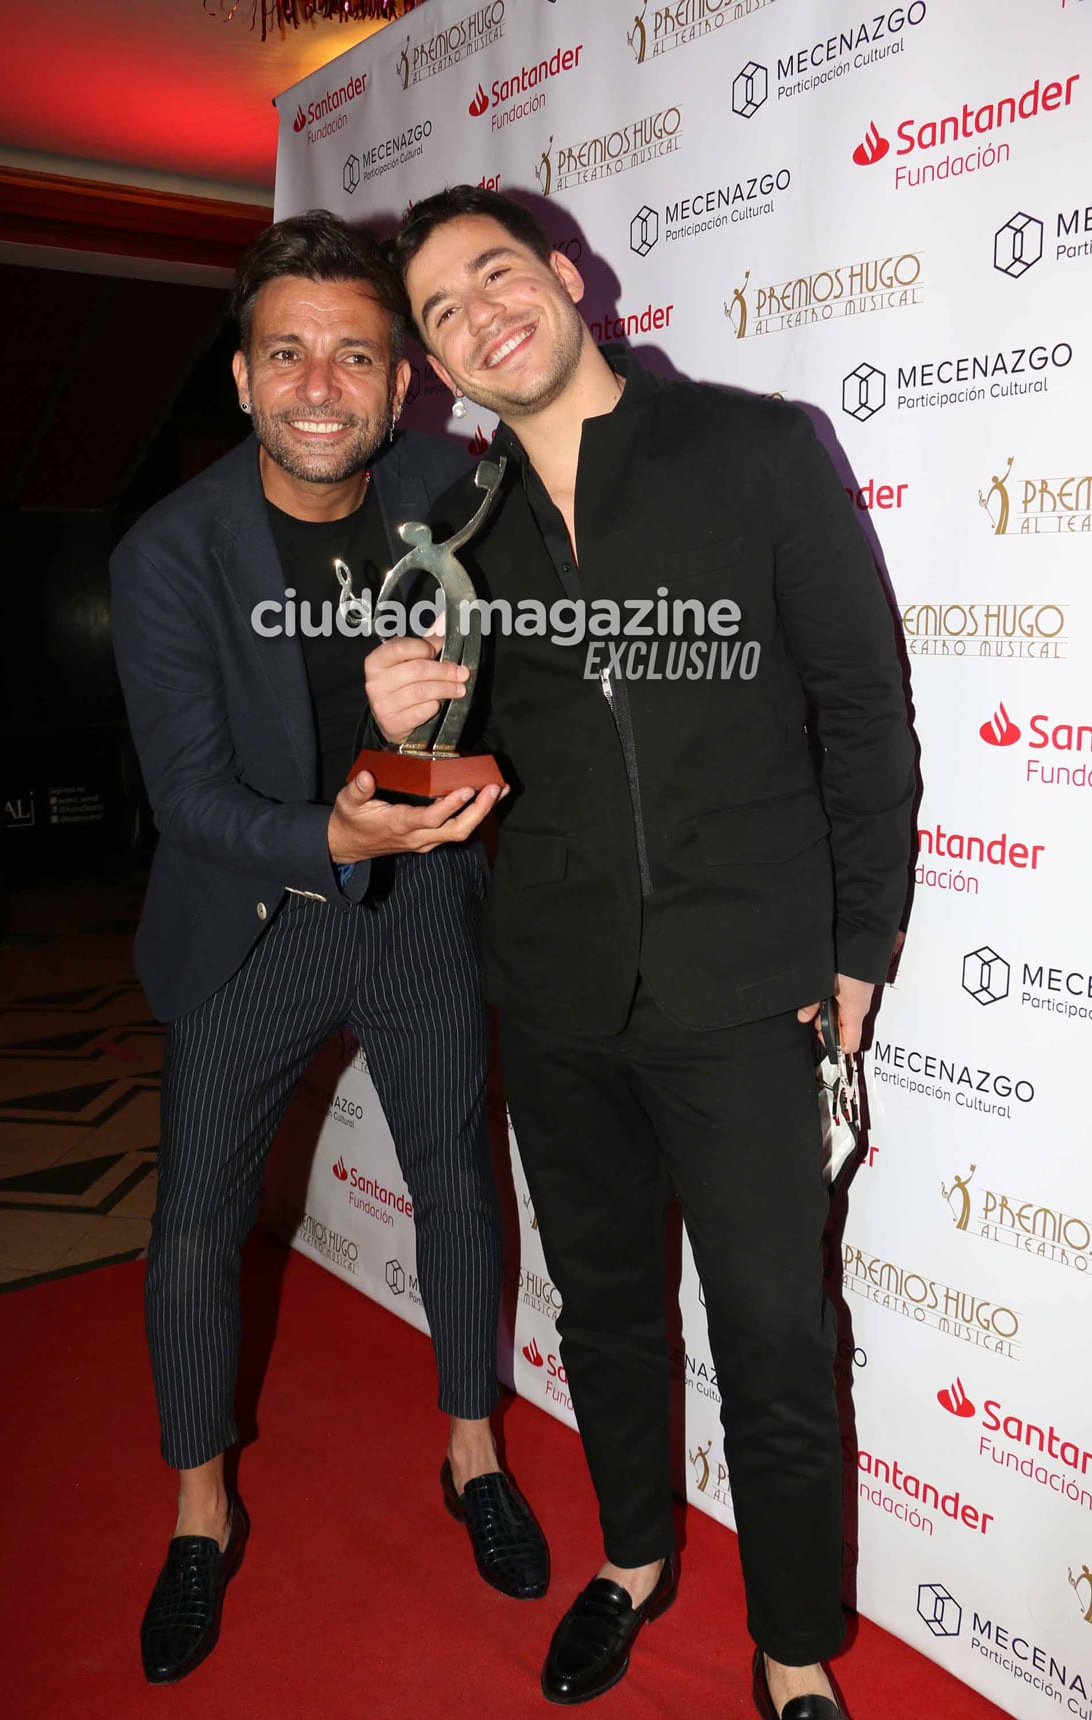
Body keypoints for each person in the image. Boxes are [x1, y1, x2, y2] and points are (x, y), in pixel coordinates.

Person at [366, 186, 915, 1718]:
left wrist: (857, 938)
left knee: (773, 1340)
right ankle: (631, 1562)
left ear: (565, 273)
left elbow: (863, 715)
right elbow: (462, 769)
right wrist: (408, 729)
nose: (480, 316)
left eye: (494, 274)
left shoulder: (755, 449)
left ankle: (794, 1646)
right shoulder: (461, 529)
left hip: (744, 992)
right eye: (440, 313)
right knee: (603, 1309)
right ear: (438, 363)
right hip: (549, 995)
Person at [110, 210, 548, 1687]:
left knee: (455, 1185)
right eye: (286, 352)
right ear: (240, 379)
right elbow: (191, 803)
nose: (319, 383)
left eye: (354, 354)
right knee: (193, 1228)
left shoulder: (456, 486)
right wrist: (339, 838)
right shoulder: (171, 555)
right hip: (255, 921)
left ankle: (473, 1451)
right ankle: (199, 1511)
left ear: (400, 382)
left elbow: (562, 590)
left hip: (420, 906)